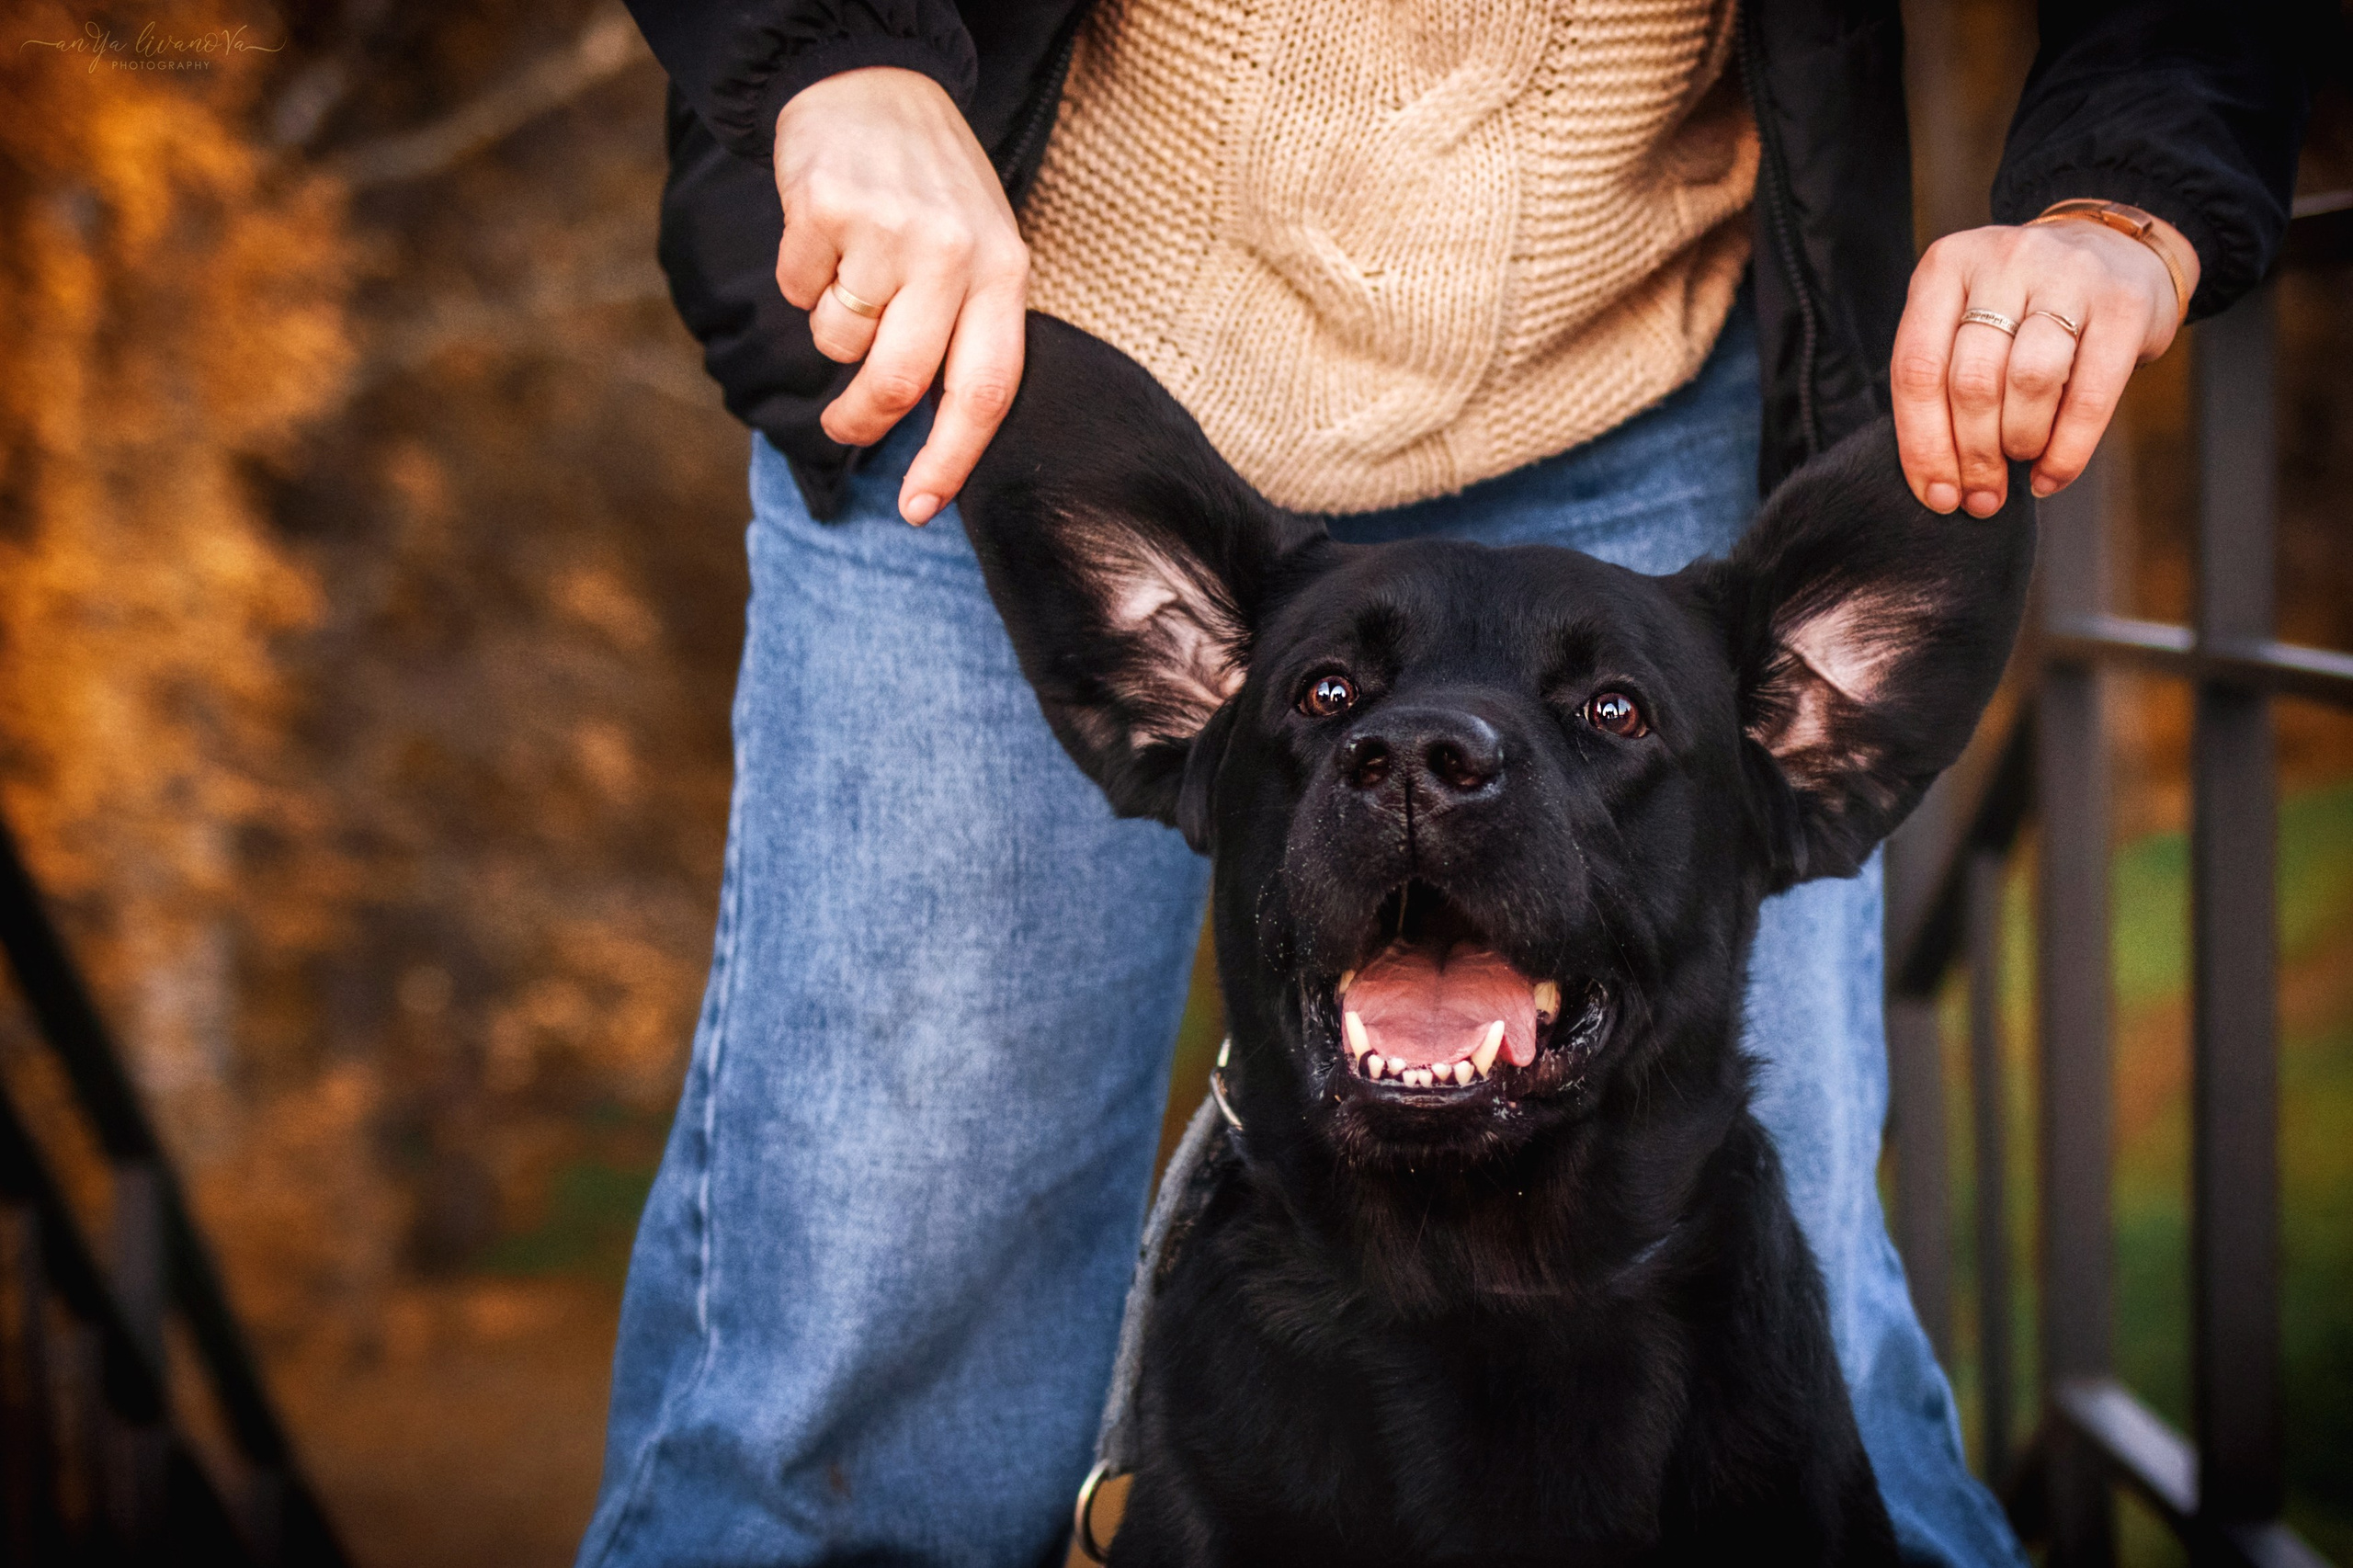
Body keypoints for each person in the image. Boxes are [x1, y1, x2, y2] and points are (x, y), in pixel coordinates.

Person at [578, 3, 2304, 1563]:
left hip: (1643, 343)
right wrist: (827, 49)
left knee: (1798, 1315)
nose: (1422, 755)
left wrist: (2123, 194)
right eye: (1354, 719)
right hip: (1009, 339)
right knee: (869, 1337)